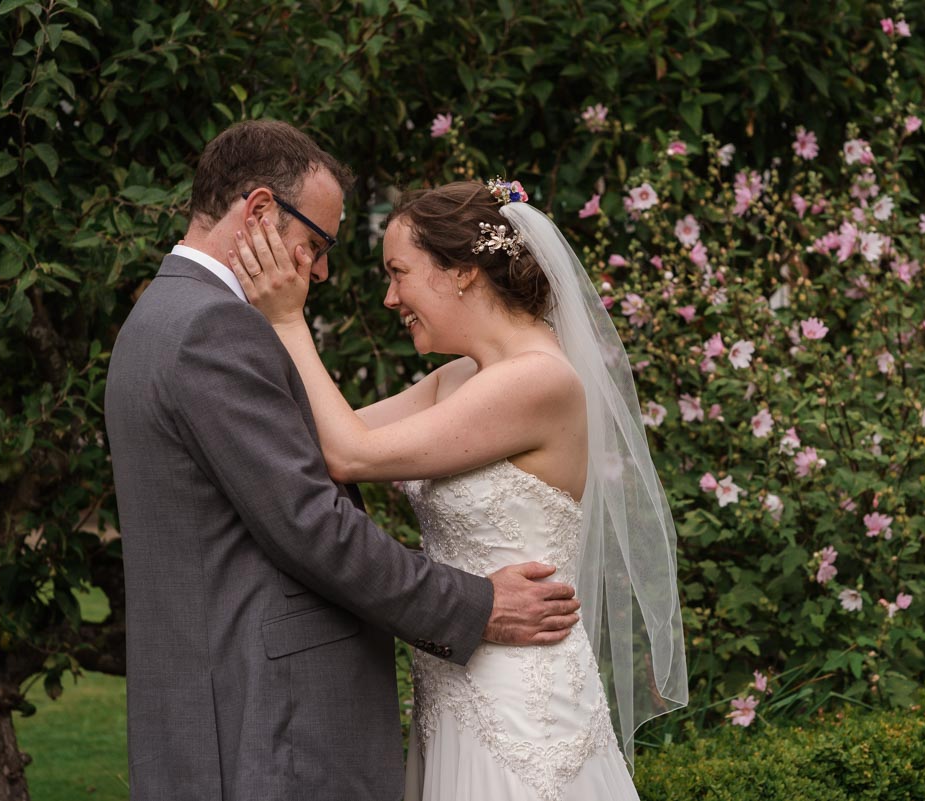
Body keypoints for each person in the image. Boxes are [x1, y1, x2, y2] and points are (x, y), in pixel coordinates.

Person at [104, 121, 582, 801]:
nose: (321, 270)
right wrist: (474, 605)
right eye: (316, 244)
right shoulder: (214, 328)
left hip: (253, 706)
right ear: (262, 212)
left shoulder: (162, 316)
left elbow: (330, 456)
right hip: (269, 718)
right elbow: (314, 519)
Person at [226, 178, 689, 800]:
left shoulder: (538, 382)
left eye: (399, 273)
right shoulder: (459, 380)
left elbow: (350, 454)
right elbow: (322, 441)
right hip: (456, 685)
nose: (390, 299)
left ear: (463, 271)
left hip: (521, 700)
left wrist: (286, 319)